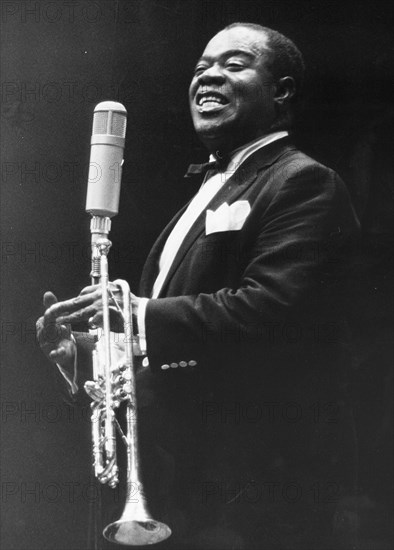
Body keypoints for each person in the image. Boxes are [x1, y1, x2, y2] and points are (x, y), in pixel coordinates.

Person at [37, 23, 360, 549]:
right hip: (176, 480)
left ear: (280, 91)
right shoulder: (211, 189)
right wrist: (85, 355)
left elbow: (273, 309)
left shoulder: (302, 181)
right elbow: (168, 347)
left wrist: (136, 314)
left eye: (234, 64)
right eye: (201, 67)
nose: (209, 75)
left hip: (248, 486)